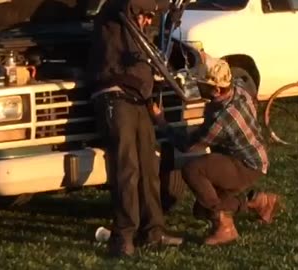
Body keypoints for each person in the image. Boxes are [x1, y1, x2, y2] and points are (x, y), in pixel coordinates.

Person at [87, 0, 183, 257]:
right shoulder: (113, 11)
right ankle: (124, 236)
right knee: (127, 168)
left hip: (139, 98)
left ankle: (154, 230)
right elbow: (132, 3)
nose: (148, 20)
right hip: (115, 96)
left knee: (149, 166)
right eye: (146, 16)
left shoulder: (138, 28)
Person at [152, 57, 281, 245]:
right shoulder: (237, 88)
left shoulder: (222, 118)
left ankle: (225, 226)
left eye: (203, 85)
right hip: (252, 156)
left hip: (245, 165)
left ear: (217, 89)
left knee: (193, 170)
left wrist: (161, 121)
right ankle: (259, 202)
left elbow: (188, 145)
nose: (199, 87)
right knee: (200, 209)